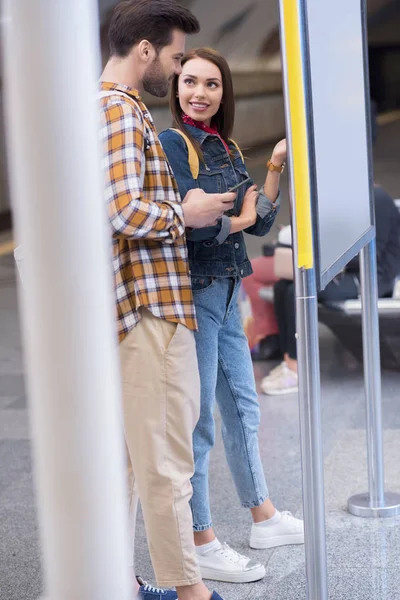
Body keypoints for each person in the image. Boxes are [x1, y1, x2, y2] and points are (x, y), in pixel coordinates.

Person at [100, 4, 236, 600]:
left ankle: (118, 580)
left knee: (136, 459)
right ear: (148, 50)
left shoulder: (109, 106)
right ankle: (191, 593)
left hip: (141, 304)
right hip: (151, 308)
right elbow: (125, 209)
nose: (180, 71)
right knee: (166, 462)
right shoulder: (121, 111)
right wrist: (191, 211)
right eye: (179, 57)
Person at [159, 47, 304, 586]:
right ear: (176, 89)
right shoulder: (174, 144)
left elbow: (257, 221)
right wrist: (236, 216)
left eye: (212, 84)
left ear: (225, 92)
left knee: (243, 409)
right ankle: (200, 540)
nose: (200, 93)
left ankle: (262, 515)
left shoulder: (227, 144)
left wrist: (272, 169)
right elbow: (195, 225)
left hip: (226, 292)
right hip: (195, 295)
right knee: (197, 422)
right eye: (190, 82)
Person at [261, 184, 400, 396]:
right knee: (282, 286)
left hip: (372, 279)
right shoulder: (350, 202)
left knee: (297, 290)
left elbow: (372, 255)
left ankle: (297, 368)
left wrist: (326, 255)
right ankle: (289, 358)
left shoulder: (377, 199)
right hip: (344, 272)